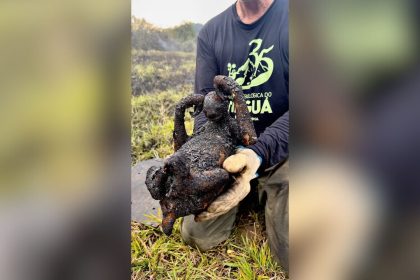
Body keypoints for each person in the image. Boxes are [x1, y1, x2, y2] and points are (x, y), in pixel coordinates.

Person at [180, 0, 289, 270]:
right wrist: (211, 158)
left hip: (284, 151)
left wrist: (258, 153)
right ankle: (250, 190)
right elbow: (204, 108)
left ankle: (268, 190)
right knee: (197, 234)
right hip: (229, 155)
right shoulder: (211, 33)